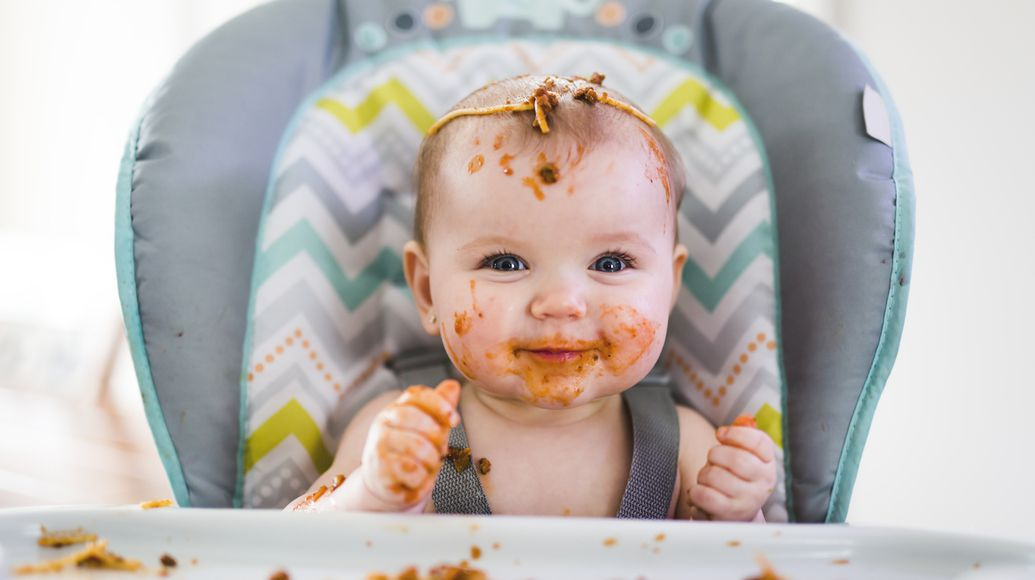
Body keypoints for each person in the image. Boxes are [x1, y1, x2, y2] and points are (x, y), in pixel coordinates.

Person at [285, 74, 776, 521]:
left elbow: (746, 563)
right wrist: (371, 496)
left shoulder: (686, 445)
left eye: (610, 264)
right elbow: (290, 549)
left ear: (670, 285)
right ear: (425, 289)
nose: (562, 303)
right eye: (505, 264)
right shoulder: (402, 435)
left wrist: (735, 515)